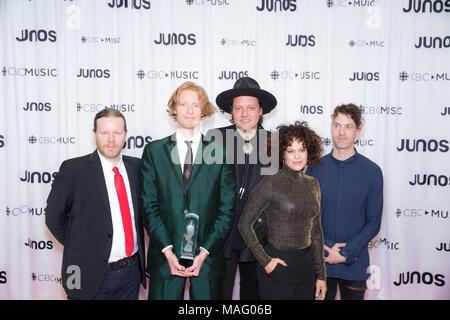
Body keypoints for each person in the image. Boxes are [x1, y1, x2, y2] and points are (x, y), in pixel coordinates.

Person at [141, 81, 236, 300]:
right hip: (165, 260)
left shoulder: (221, 153)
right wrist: (167, 250)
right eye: (184, 104)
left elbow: (226, 209)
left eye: (196, 105)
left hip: (208, 261)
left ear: (203, 110)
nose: (190, 110)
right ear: (174, 108)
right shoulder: (154, 151)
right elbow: (149, 206)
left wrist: (204, 252)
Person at [45, 108, 146, 300]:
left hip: (131, 273)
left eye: (117, 133)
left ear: (125, 134)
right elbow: (53, 217)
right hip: (86, 274)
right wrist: (83, 247)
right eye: (104, 133)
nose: (111, 139)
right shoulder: (73, 170)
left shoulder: (138, 168)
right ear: (94, 134)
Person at [238, 121, 327, 300]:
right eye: (290, 150)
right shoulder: (270, 183)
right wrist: (265, 261)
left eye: (302, 150)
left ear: (309, 151)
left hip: (306, 268)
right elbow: (244, 224)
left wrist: (322, 275)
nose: (297, 156)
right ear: (282, 153)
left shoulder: (313, 185)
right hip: (277, 266)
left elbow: (316, 231)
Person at [306, 104, 383, 300]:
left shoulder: (372, 171)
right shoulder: (314, 169)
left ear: (358, 130)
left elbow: (373, 221)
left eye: (348, 126)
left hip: (354, 263)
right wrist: (329, 247)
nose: (341, 132)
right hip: (320, 261)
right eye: (337, 125)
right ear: (331, 127)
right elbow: (309, 217)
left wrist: (347, 252)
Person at [212, 77, 277, 300]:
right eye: (238, 108)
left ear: (261, 111)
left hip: (261, 240)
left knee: (256, 297)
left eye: (251, 108)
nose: (244, 113)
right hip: (222, 237)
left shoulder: (273, 143)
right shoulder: (215, 141)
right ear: (231, 111)